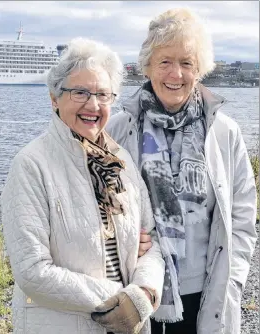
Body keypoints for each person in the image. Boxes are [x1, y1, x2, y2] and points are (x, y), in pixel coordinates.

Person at [106, 8, 257, 334]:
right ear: (148, 66)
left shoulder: (223, 131)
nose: (176, 74)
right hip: (138, 288)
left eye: (187, 63)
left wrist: (234, 278)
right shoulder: (119, 129)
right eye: (165, 62)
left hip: (206, 290)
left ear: (199, 69)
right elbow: (97, 208)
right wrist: (127, 237)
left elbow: (243, 215)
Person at [1, 37, 166, 334]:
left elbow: (150, 241)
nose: (93, 105)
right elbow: (32, 271)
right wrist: (120, 299)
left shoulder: (121, 161)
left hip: (129, 324)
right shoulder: (31, 165)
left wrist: (145, 292)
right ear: (54, 98)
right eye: (80, 92)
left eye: (103, 94)